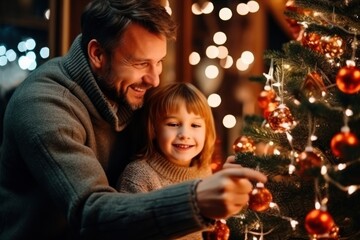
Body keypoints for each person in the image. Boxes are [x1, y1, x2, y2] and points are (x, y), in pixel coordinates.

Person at [0, 0, 267, 239]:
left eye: (159, 61)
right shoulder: (44, 105)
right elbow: (91, 214)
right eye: (141, 63)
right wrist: (195, 200)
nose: (155, 79)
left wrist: (220, 181)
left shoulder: (130, 91)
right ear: (97, 54)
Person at [118, 82, 216, 239]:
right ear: (154, 129)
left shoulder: (204, 172)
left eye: (195, 125)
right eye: (173, 124)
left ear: (207, 132)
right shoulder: (139, 175)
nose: (185, 134)